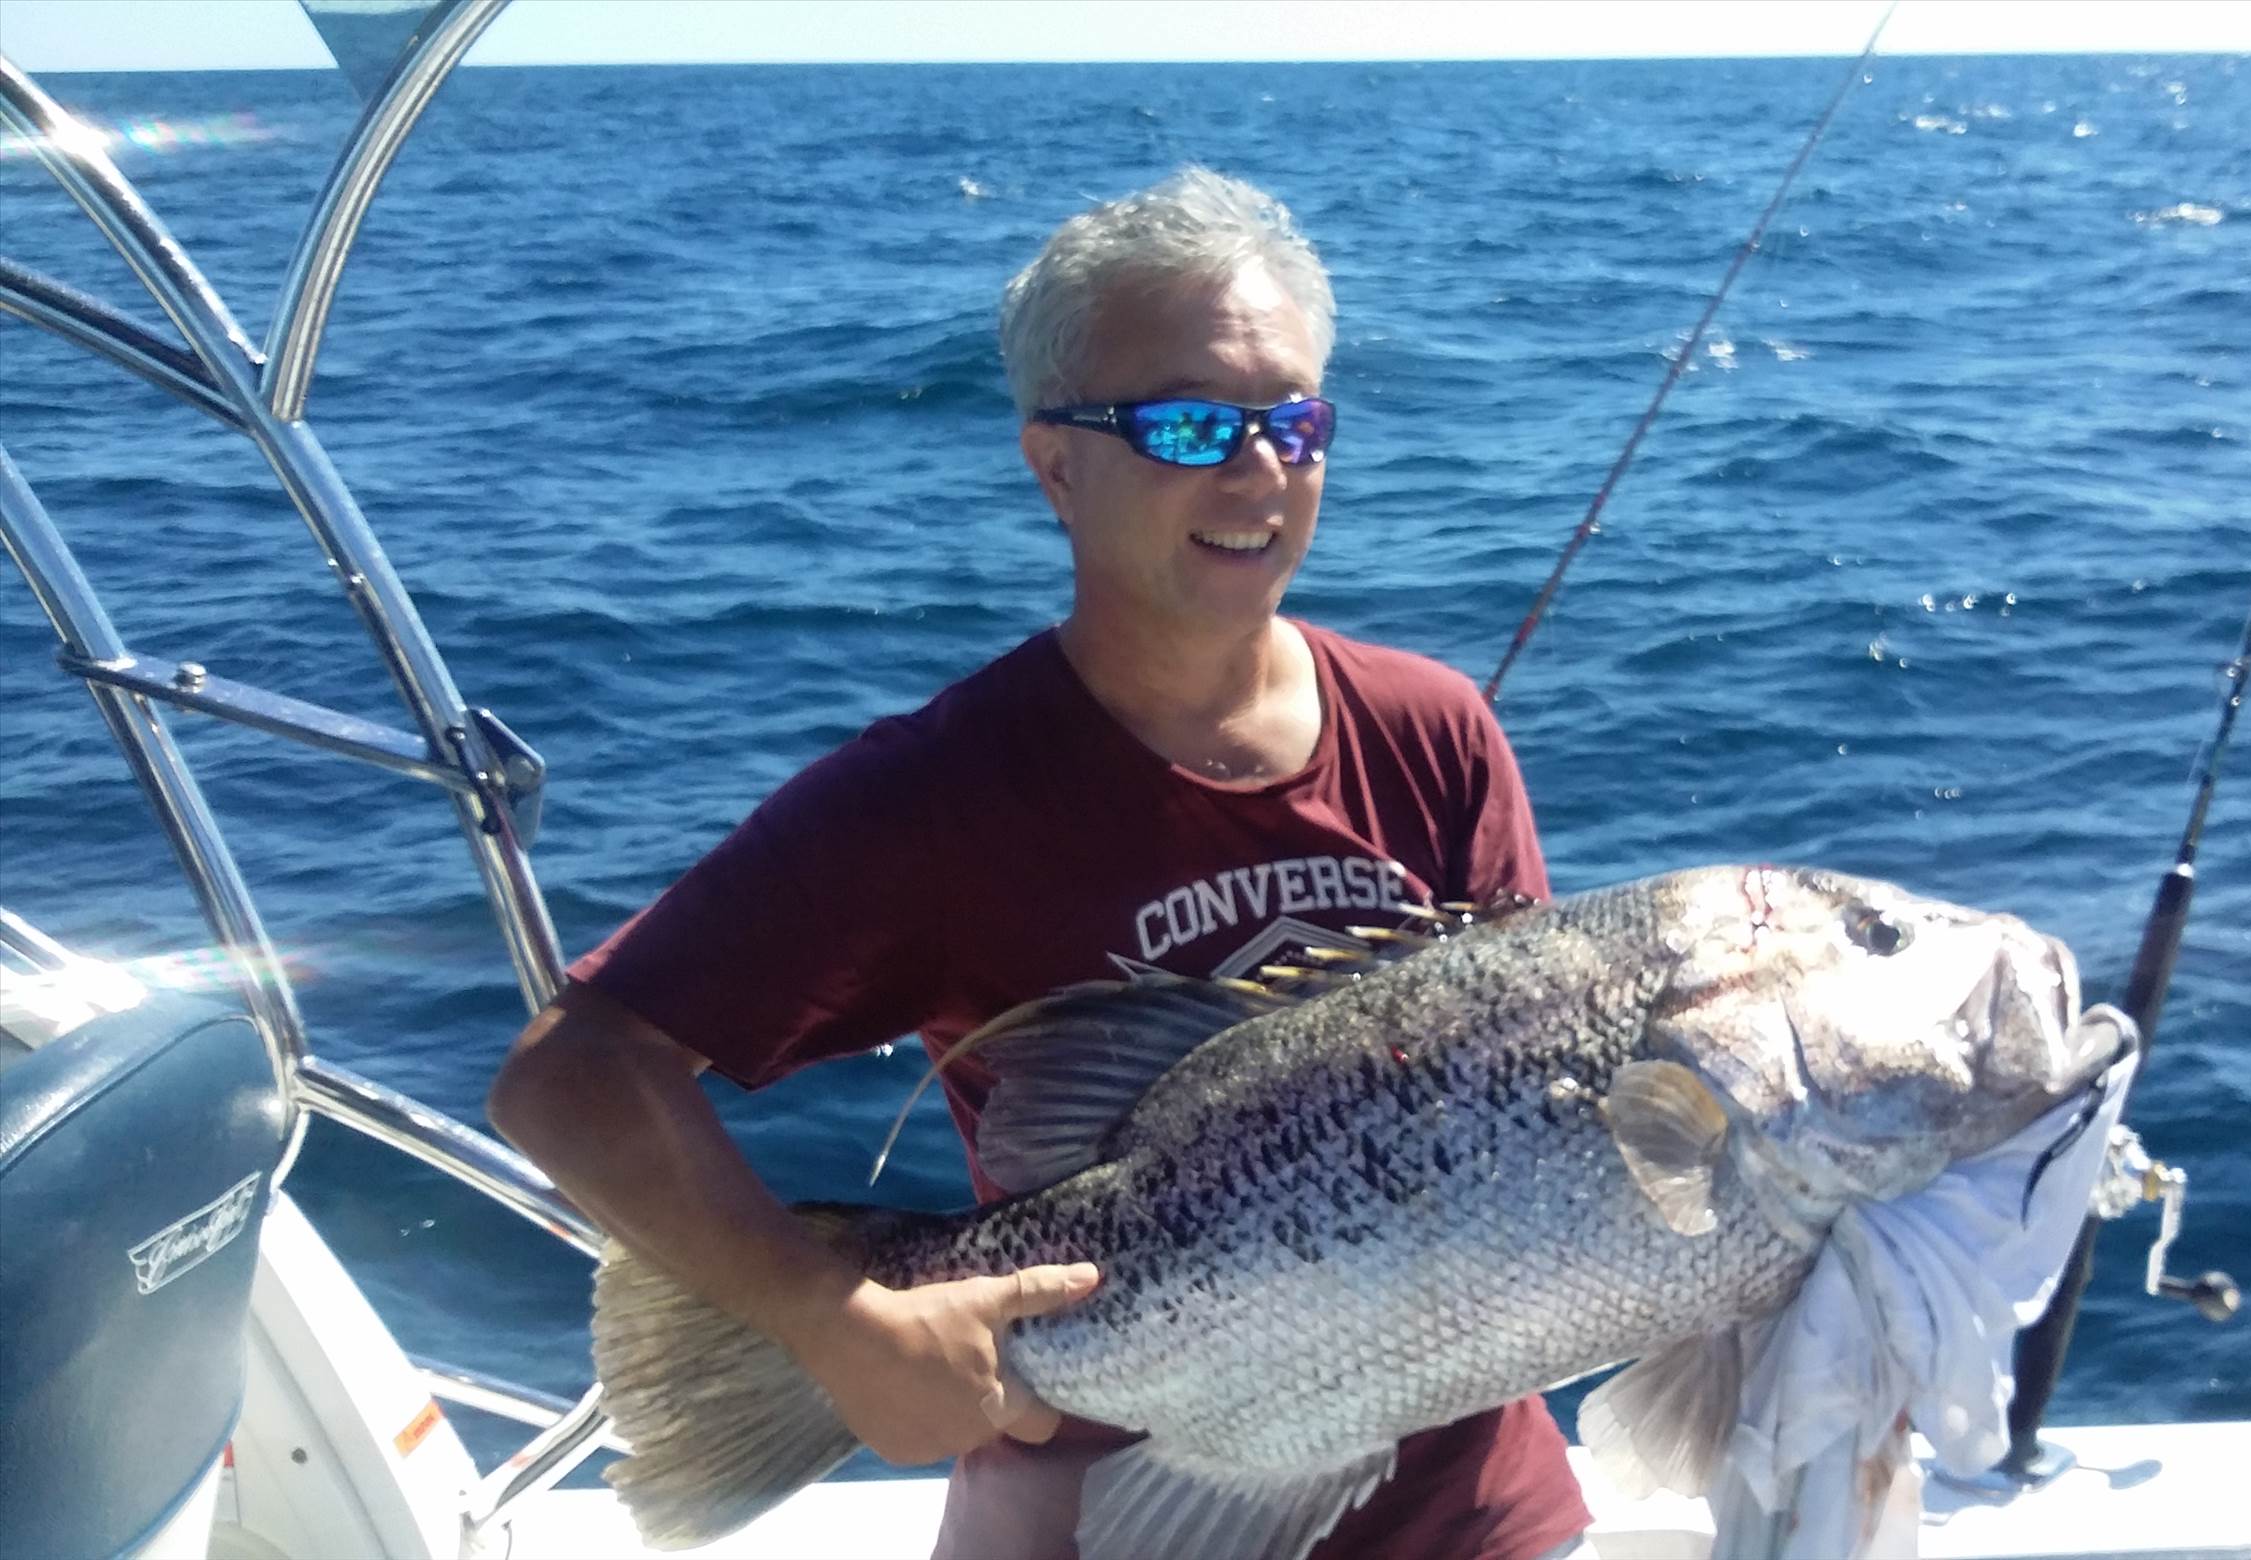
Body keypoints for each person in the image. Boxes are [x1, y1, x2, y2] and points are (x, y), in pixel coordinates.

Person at [486, 167, 1594, 1560]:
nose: (1258, 469)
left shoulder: (1434, 727)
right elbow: (572, 1074)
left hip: (1476, 1518)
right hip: (1112, 1518)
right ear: (1055, 464)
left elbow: (1540, 1104)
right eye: (1188, 423)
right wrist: (830, 1321)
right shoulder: (940, 792)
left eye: (1293, 420)